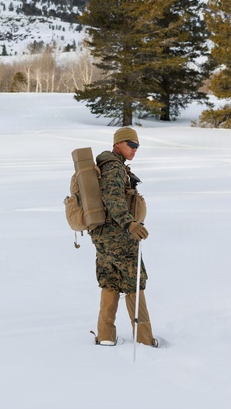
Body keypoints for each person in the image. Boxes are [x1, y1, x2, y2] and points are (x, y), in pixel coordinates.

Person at [90, 127, 158, 347]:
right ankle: (145, 339)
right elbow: (113, 199)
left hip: (103, 234)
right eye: (131, 144)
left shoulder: (106, 165)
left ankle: (106, 336)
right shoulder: (114, 168)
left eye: (137, 146)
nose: (135, 150)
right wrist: (129, 224)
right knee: (134, 281)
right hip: (118, 234)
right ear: (117, 144)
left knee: (110, 281)